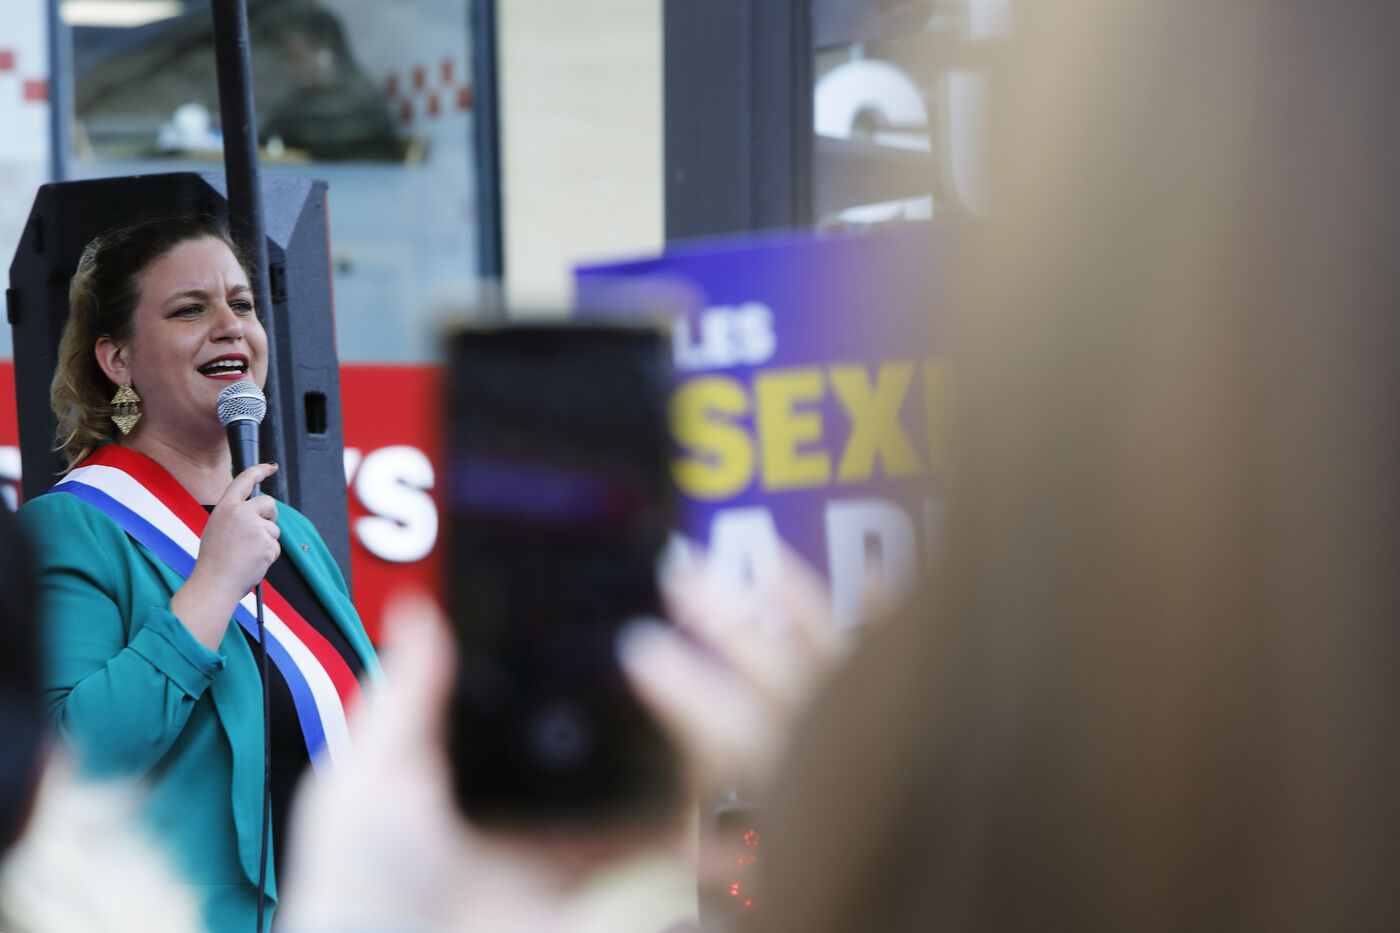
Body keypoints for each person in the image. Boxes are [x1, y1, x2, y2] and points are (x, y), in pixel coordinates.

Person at [19, 216, 380, 933]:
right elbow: (67, 765)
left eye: (241, 304)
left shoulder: (292, 533)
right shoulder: (71, 527)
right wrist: (211, 588)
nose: (230, 326)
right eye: (190, 309)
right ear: (118, 359)